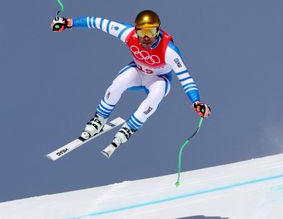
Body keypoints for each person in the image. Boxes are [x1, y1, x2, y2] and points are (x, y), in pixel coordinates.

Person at [51, 10, 211, 158]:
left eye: (151, 32)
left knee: (157, 93)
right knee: (119, 82)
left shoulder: (169, 51)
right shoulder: (128, 34)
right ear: (136, 31)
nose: (147, 37)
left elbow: (185, 78)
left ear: (158, 30)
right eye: (142, 32)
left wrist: (196, 102)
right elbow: (97, 22)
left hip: (159, 78)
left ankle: (130, 127)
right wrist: (69, 22)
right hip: (137, 70)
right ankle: (100, 118)